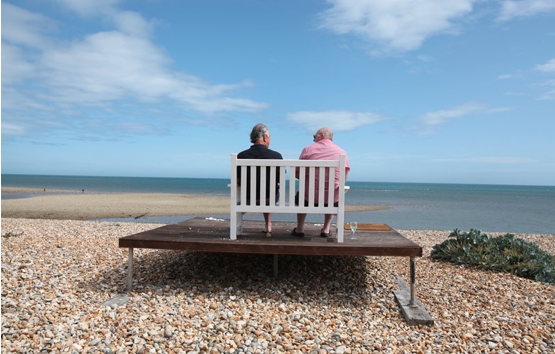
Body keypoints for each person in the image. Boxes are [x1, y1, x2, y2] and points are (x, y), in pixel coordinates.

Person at [291, 127, 350, 238]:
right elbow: (343, 179)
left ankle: (299, 229)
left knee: (302, 193)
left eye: (314, 136)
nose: (313, 139)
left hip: (308, 198)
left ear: (321, 135)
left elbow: (297, 173)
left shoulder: (308, 150)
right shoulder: (342, 152)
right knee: (334, 192)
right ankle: (326, 229)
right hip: (330, 199)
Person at [237, 123, 283, 237]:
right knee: (270, 190)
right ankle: (268, 225)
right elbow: (280, 179)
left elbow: (238, 180)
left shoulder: (241, 156)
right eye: (270, 137)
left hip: (248, 199)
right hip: (269, 199)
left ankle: (237, 225)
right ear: (265, 137)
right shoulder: (276, 156)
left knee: (261, 189)